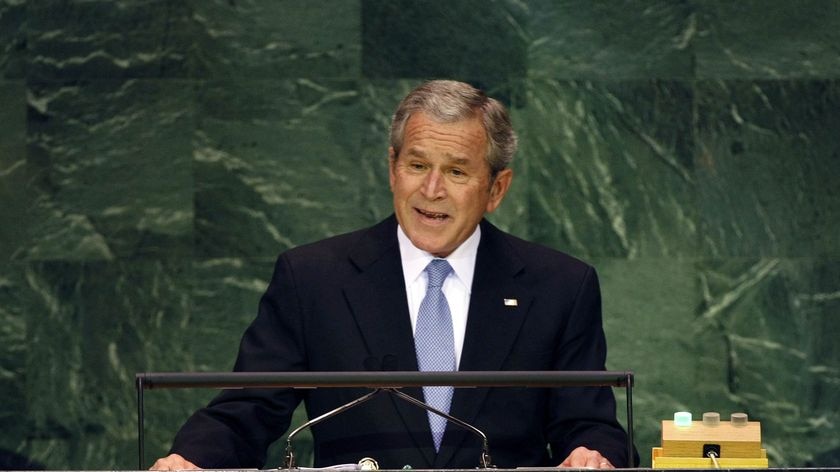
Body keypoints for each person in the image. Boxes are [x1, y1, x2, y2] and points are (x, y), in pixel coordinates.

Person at [152, 80, 635, 470]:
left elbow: (588, 423)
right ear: (392, 168)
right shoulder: (314, 279)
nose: (431, 190)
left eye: (457, 172)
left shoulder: (558, 287)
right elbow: (245, 411)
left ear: (496, 189)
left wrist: (593, 457)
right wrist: (191, 460)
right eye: (417, 165)